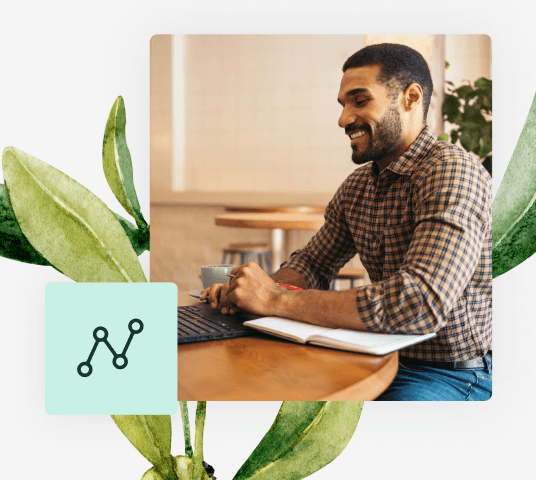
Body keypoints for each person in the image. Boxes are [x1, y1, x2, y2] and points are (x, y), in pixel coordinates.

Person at [200, 43, 492, 401]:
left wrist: (276, 299)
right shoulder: (358, 187)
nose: (343, 119)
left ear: (411, 98)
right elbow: (312, 264)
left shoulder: (452, 170)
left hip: (451, 373)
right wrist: (251, 293)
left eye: (360, 100)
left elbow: (421, 303)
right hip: (373, 353)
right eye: (342, 105)